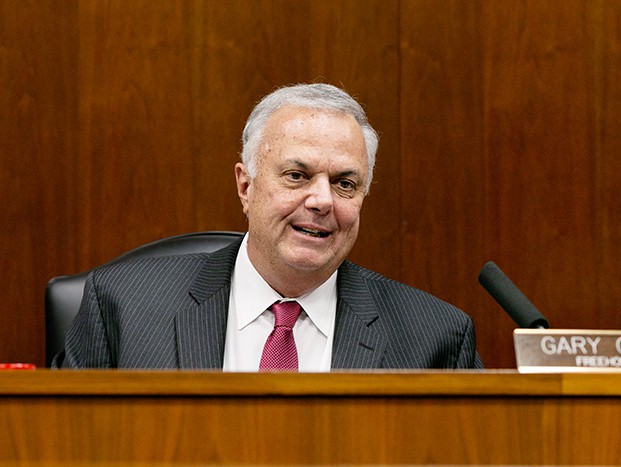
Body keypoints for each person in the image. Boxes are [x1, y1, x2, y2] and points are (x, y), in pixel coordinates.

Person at [56, 83, 483, 370]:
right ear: (246, 186)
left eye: (345, 184)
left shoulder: (434, 340)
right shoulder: (123, 308)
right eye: (296, 175)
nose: (321, 201)